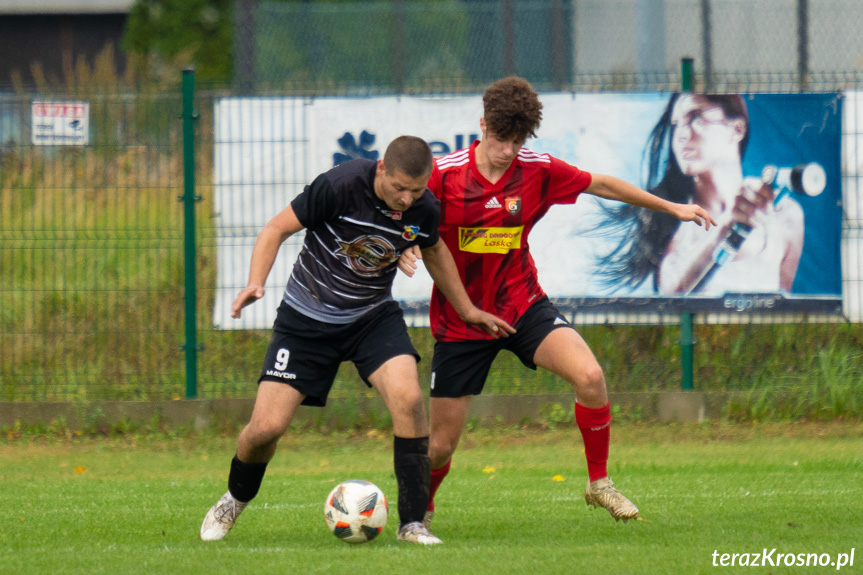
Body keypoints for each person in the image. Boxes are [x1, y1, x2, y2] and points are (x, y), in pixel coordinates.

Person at [398, 76, 715, 527]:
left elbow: (601, 184)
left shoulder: (537, 170)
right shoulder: (445, 175)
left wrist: (673, 207)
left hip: (522, 304)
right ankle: (421, 511)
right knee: (441, 447)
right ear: (482, 125)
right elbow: (406, 214)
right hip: (462, 319)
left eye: (517, 140)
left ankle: (599, 483)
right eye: (500, 138)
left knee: (589, 376)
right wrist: (405, 243)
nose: (508, 150)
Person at [200, 135, 514, 545]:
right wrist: (255, 283)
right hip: (306, 319)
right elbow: (276, 228)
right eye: (399, 187)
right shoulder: (340, 185)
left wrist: (468, 309)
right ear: (381, 167)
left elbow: (434, 252)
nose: (405, 198)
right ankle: (232, 501)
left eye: (415, 190)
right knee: (266, 429)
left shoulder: (423, 208)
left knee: (410, 400)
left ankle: (413, 523)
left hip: (371, 319)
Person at [597, 93, 804, 295]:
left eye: (696, 117)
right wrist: (726, 225)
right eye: (675, 124)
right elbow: (673, 296)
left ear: (737, 129)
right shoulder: (676, 228)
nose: (681, 135)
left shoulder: (786, 216)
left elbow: (784, 309)